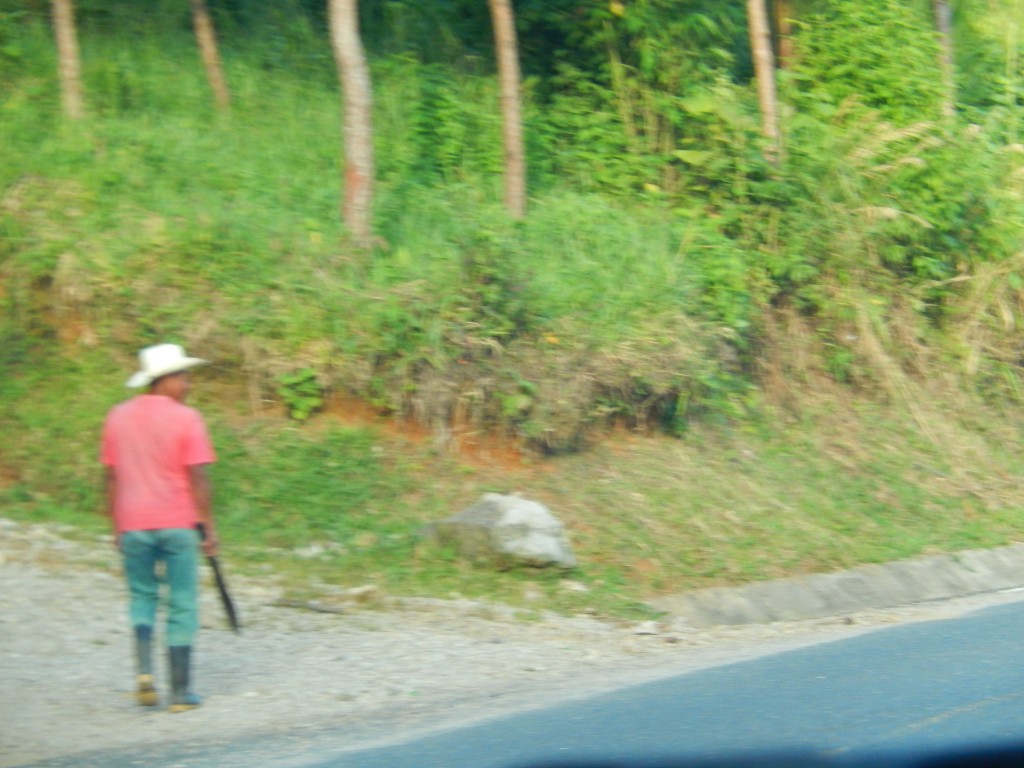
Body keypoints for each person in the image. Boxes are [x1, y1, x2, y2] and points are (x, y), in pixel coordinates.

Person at [101, 343, 218, 713]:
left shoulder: (116, 417)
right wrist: (209, 528)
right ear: (163, 379)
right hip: (178, 523)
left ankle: (145, 675)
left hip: (133, 524)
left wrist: (115, 525)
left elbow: (111, 477)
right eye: (182, 377)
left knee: (142, 596)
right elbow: (197, 478)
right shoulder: (188, 419)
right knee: (181, 602)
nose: (187, 384)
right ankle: (180, 693)